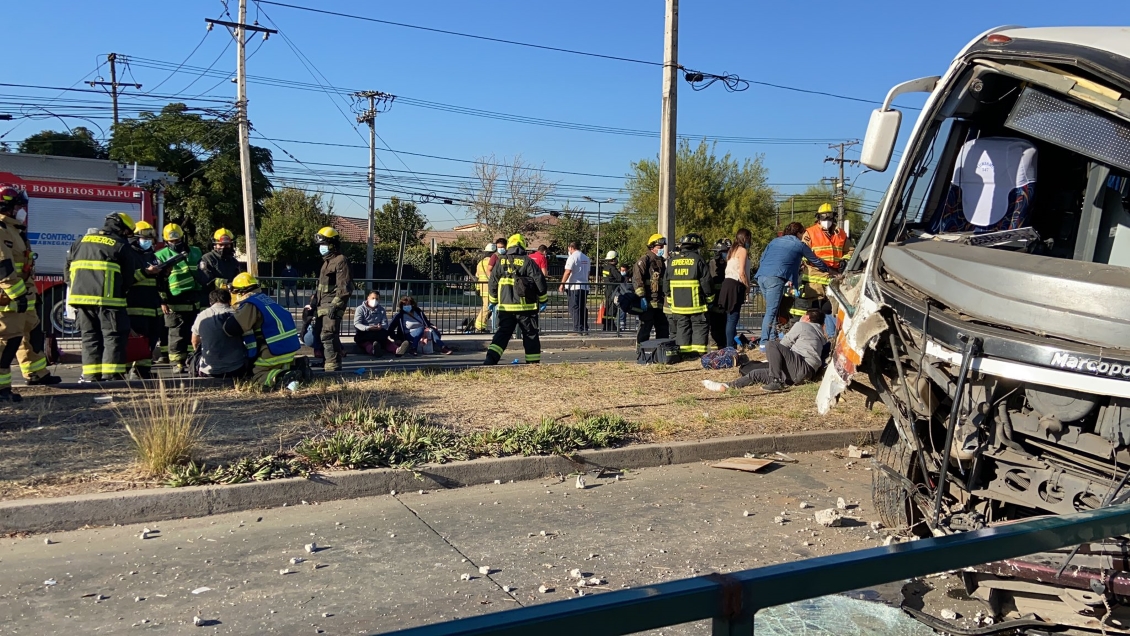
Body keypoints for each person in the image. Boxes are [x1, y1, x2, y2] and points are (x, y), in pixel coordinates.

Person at [65, 212, 155, 382]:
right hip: (109, 301)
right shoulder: (120, 245)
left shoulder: (81, 241)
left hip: (81, 300)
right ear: (121, 229)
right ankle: (112, 376)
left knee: (90, 337)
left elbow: (67, 270)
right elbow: (129, 277)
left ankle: (91, 376)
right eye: (127, 232)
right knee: (113, 337)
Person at [0, 186, 61, 402]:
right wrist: (16, 295)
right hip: (8, 298)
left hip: (25, 294)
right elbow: (3, 267)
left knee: (32, 334)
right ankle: (2, 389)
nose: (21, 210)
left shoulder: (14, 229)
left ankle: (36, 373)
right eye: (17, 205)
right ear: (6, 206)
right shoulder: (1, 229)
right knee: (7, 343)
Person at [703, 307, 828, 393]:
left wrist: (772, 358)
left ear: (807, 318)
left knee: (771, 344)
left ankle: (775, 381)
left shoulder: (802, 325)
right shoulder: (820, 335)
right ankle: (726, 386)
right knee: (756, 374)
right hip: (803, 374)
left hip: (800, 365)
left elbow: (784, 344)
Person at [752, 222, 831, 352]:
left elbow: (762, 258)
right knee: (771, 311)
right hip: (776, 278)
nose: (803, 237)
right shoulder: (799, 245)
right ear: (798, 233)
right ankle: (764, 343)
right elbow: (814, 260)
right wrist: (827, 269)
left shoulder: (774, 241)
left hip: (761, 276)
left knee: (774, 310)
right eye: (802, 234)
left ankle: (772, 338)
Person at [227, 273, 303, 389]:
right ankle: (297, 367)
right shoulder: (266, 300)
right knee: (278, 366)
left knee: (256, 376)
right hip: (288, 349)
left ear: (240, 292)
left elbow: (232, 328)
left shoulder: (250, 304)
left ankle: (281, 377)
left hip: (272, 350)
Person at [484, 233, 547, 365]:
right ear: (523, 245)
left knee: (502, 334)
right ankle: (533, 363)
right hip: (526, 308)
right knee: (530, 335)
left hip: (505, 308)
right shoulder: (528, 261)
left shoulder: (500, 261)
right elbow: (539, 281)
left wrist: (493, 301)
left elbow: (492, 283)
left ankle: (491, 359)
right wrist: (543, 299)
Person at [798, 204, 852, 340]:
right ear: (818, 218)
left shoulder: (840, 233)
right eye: (824, 217)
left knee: (832, 309)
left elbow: (850, 250)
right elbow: (803, 253)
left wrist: (844, 261)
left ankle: (832, 336)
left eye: (829, 216)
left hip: (834, 276)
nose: (827, 219)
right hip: (815, 276)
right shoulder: (810, 233)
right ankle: (812, 337)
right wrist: (816, 264)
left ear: (834, 217)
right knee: (815, 310)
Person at [155, 223, 204, 374]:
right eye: (172, 242)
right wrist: (162, 300)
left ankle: (190, 360)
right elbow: (159, 282)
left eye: (178, 240)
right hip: (174, 301)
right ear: (166, 241)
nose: (175, 244)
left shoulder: (195, 252)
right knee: (176, 334)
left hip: (194, 299)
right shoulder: (160, 255)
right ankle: (177, 363)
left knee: (192, 332)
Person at [308, 227, 352, 372]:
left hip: (332, 306)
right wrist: (314, 303)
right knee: (319, 335)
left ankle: (333, 368)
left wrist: (336, 305)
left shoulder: (340, 261)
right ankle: (326, 362)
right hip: (321, 306)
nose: (321, 248)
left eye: (324, 244)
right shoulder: (326, 262)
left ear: (332, 244)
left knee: (328, 334)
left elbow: (344, 288)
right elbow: (321, 287)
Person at [665, 234, 713, 357]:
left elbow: (665, 282)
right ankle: (697, 355)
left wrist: (670, 299)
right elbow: (706, 281)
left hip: (678, 306)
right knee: (699, 327)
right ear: (696, 246)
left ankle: (683, 354)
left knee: (682, 328)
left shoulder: (672, 261)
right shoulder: (698, 259)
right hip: (696, 305)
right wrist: (709, 298)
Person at [125, 221, 162, 379]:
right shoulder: (128, 255)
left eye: (150, 239)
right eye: (145, 238)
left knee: (150, 340)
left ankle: (143, 372)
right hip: (135, 306)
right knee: (135, 341)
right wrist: (146, 272)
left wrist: (163, 273)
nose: (148, 242)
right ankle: (125, 371)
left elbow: (156, 283)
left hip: (152, 306)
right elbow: (126, 279)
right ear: (135, 238)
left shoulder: (151, 256)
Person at [190, 288, 247, 378]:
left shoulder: (202, 316)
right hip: (236, 368)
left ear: (210, 302)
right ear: (229, 301)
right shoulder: (238, 315)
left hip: (208, 370)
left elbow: (194, 341)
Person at [633, 233, 669, 346]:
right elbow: (637, 280)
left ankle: (661, 352)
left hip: (660, 302)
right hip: (648, 302)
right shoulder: (644, 260)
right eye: (659, 247)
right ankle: (641, 351)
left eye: (662, 247)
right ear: (652, 247)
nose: (662, 249)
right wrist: (642, 297)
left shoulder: (661, 262)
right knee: (645, 328)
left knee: (663, 328)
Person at [719, 229, 752, 350]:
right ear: (746, 238)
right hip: (735, 285)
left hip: (727, 284)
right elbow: (742, 272)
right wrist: (747, 287)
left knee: (730, 317)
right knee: (733, 318)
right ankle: (730, 347)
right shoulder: (742, 250)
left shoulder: (732, 250)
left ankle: (730, 344)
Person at [559, 242, 591, 334]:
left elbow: (567, 272)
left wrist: (562, 284)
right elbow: (588, 273)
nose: (568, 250)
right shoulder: (586, 258)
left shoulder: (572, 257)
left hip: (574, 286)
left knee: (574, 307)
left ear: (571, 247)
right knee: (582, 307)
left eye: (569, 248)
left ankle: (577, 328)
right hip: (584, 286)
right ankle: (584, 328)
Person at [706, 238, 731, 350]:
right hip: (714, 301)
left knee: (725, 324)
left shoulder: (730, 264)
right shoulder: (710, 264)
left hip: (726, 301)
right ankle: (716, 347)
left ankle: (725, 346)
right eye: (725, 252)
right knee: (715, 326)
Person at [354, 290, 390, 355]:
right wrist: (368, 328)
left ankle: (397, 350)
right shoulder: (360, 309)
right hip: (365, 332)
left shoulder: (381, 309)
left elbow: (385, 323)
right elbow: (357, 324)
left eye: (377, 299)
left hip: (378, 332)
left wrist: (381, 326)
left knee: (386, 340)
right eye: (373, 298)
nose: (374, 300)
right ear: (368, 298)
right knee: (365, 343)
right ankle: (373, 351)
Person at [472, 243, 496, 333]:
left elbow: (477, 277)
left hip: (483, 288)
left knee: (487, 307)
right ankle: (479, 327)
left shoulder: (480, 263)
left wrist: (477, 288)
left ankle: (481, 326)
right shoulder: (493, 262)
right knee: (487, 308)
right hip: (490, 287)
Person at [600, 251, 624, 332]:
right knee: (612, 308)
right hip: (613, 290)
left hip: (607, 289)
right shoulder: (613, 268)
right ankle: (610, 326)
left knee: (608, 307)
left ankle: (606, 325)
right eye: (616, 258)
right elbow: (620, 278)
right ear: (613, 259)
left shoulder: (606, 267)